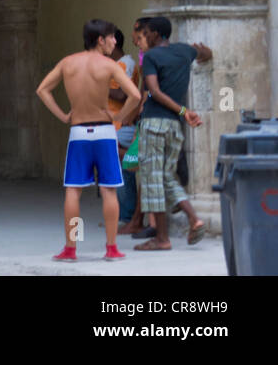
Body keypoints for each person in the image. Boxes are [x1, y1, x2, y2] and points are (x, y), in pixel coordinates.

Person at [35, 19, 141, 262]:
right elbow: (134, 95)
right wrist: (120, 117)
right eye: (112, 37)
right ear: (99, 40)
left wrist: (63, 116)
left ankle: (70, 249)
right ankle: (112, 249)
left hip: (79, 133)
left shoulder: (67, 63)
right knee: (109, 191)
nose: (115, 42)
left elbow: (42, 90)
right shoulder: (109, 65)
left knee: (73, 191)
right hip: (104, 132)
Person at [135, 16, 210, 251]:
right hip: (174, 127)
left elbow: (154, 91)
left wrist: (184, 110)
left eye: (146, 33)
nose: (143, 37)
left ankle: (162, 238)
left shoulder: (151, 57)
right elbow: (205, 53)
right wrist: (202, 53)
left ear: (156, 34)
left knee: (152, 180)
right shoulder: (184, 51)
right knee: (166, 177)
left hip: (155, 124)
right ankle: (194, 219)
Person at [107, 27, 142, 231]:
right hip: (114, 124)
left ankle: (127, 216)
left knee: (123, 167)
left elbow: (122, 95)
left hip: (122, 125)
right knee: (122, 167)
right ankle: (124, 215)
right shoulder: (115, 65)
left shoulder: (124, 65)